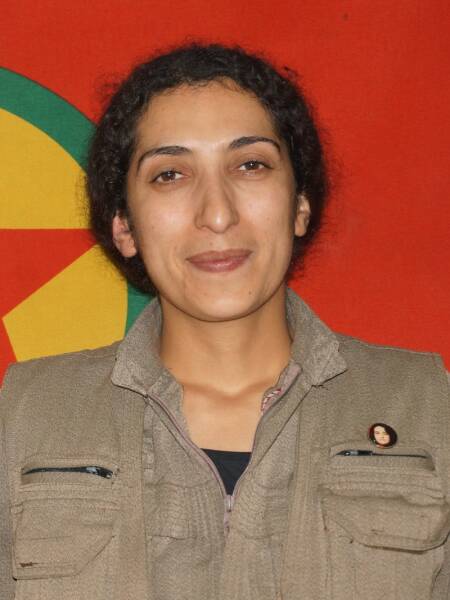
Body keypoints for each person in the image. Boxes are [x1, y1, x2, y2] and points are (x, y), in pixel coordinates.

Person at [1, 43, 449, 600]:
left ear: (300, 204)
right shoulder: (24, 419)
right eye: (170, 174)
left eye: (250, 165)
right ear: (125, 227)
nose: (217, 214)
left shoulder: (429, 408)